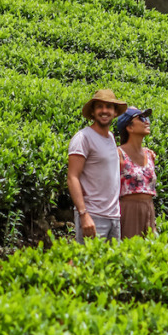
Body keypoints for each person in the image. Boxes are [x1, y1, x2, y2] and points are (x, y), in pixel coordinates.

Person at [67, 88, 127, 242]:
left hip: (114, 216)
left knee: (111, 265)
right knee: (87, 264)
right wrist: (83, 214)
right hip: (93, 216)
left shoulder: (111, 138)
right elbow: (72, 177)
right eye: (99, 106)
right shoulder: (83, 138)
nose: (104, 111)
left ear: (115, 113)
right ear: (93, 112)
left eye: (109, 107)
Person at [115, 106, 157, 239]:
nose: (147, 121)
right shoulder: (118, 154)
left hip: (149, 209)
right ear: (129, 127)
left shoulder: (149, 155)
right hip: (128, 210)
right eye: (141, 118)